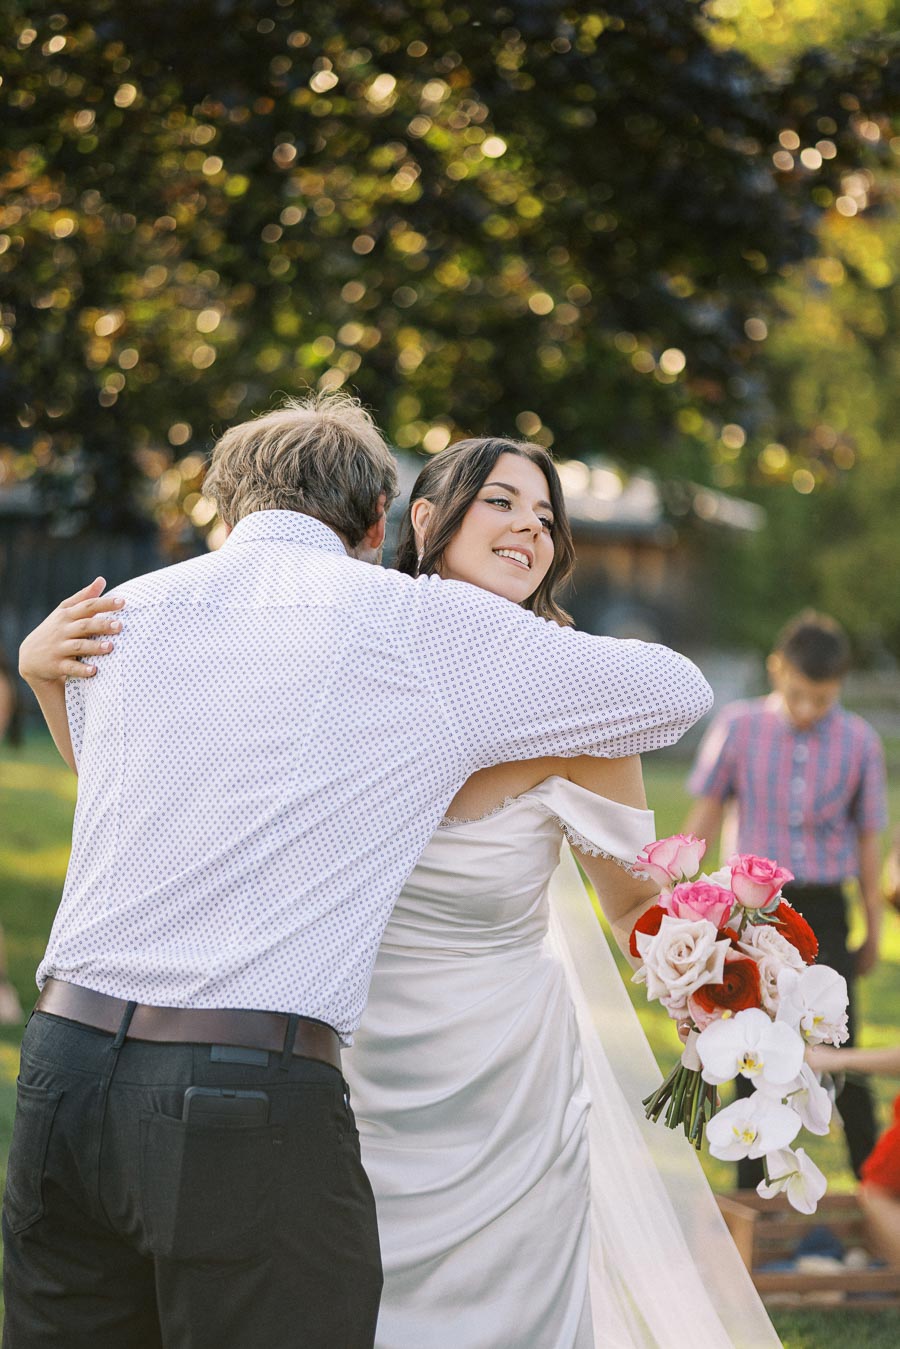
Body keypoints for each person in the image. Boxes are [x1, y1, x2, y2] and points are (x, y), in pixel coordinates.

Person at [25, 433, 777, 1348]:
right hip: (300, 1072)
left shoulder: (152, 609)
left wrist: (706, 967)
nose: (529, 528)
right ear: (401, 520)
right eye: (500, 502)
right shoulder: (377, 630)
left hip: (462, 1074)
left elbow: (632, 897)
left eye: (546, 515)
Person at [686, 610, 887, 1189]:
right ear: (778, 669)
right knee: (749, 1043)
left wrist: (872, 928)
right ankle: (754, 1197)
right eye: (797, 693)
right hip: (753, 911)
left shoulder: (860, 743)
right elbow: (704, 811)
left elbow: (870, 840)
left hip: (825, 908)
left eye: (820, 699)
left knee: (840, 1046)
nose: (805, 709)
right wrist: (689, 903)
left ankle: (873, 1186)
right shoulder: (740, 726)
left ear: (839, 687)